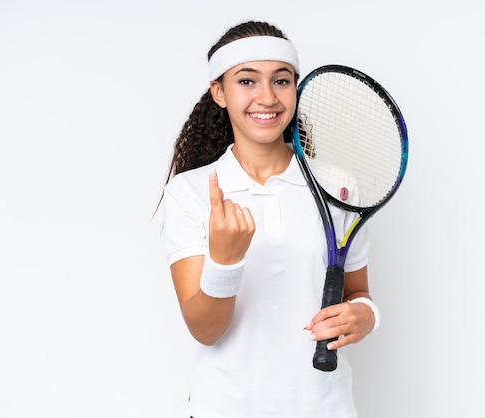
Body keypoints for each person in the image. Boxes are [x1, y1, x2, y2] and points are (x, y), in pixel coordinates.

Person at [160, 20, 381, 417]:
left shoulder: (338, 187)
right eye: (247, 81)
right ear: (219, 92)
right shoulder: (191, 192)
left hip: (325, 407)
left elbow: (357, 293)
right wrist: (225, 261)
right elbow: (204, 330)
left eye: (281, 81)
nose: (267, 97)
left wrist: (367, 316)